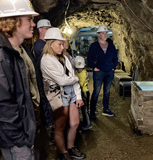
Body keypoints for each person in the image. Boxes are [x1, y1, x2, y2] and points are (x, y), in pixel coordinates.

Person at [0, 0, 54, 160]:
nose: (33, 24)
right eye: (29, 19)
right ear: (13, 21)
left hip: (32, 129)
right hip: (19, 141)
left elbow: (33, 90)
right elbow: (2, 108)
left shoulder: (23, 51)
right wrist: (22, 142)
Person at [41, 28, 86, 160]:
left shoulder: (64, 58)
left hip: (70, 93)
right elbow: (62, 80)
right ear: (50, 44)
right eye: (59, 44)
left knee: (75, 123)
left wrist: (78, 96)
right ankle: (63, 152)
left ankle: (71, 148)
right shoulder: (46, 60)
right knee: (60, 126)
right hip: (58, 95)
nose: (62, 47)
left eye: (63, 44)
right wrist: (77, 78)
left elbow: (70, 77)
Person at [87, 25, 118, 119]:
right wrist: (94, 67)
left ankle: (106, 109)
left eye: (106, 33)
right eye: (103, 33)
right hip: (99, 72)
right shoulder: (94, 46)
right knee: (96, 92)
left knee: (107, 92)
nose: (105, 34)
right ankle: (92, 112)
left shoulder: (111, 46)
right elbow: (89, 59)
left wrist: (113, 67)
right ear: (99, 34)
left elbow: (115, 58)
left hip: (109, 72)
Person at [73, 56, 92, 130]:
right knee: (84, 109)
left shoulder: (83, 74)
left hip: (84, 92)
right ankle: (85, 122)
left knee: (85, 109)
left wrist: (74, 79)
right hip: (83, 92)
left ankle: (87, 124)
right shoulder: (82, 72)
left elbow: (80, 84)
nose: (79, 69)